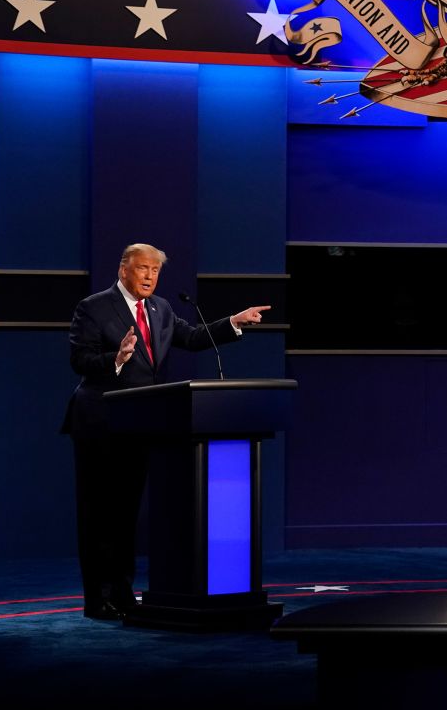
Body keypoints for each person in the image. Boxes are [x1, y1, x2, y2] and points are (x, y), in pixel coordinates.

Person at [61, 243, 271, 620]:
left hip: (143, 424)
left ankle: (123, 593)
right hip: (100, 424)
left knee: (125, 515)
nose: (149, 277)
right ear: (124, 268)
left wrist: (233, 323)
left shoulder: (160, 309)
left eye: (155, 271)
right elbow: (80, 360)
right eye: (143, 269)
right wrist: (117, 359)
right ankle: (98, 598)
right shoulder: (92, 307)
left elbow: (190, 337)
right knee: (99, 515)